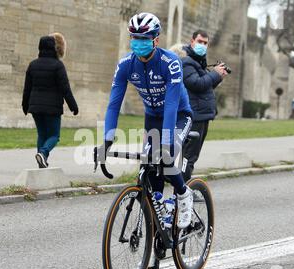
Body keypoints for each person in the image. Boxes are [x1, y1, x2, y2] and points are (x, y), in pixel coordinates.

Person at [98, 12, 195, 229]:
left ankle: (183, 193)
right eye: (134, 37)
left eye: (144, 38)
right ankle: (161, 206)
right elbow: (114, 104)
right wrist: (106, 139)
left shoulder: (170, 63)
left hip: (179, 115)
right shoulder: (125, 65)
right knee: (149, 164)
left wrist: (168, 141)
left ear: (156, 40)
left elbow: (171, 106)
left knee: (166, 158)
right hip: (152, 117)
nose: (138, 42)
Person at [22, 34, 79, 168]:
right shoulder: (58, 66)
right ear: (54, 48)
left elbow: (27, 88)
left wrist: (25, 105)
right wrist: (73, 106)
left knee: (42, 134)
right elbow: (66, 89)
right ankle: (43, 153)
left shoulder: (32, 65)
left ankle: (41, 161)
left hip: (35, 107)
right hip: (52, 107)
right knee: (54, 135)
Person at [178, 30, 228, 182]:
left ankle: (183, 189)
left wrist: (217, 77)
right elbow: (197, 84)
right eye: (200, 42)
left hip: (201, 115)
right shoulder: (187, 62)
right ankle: (183, 192)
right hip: (194, 116)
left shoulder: (198, 61)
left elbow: (204, 89)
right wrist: (214, 74)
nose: (202, 45)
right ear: (192, 41)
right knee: (188, 157)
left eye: (205, 43)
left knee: (190, 156)